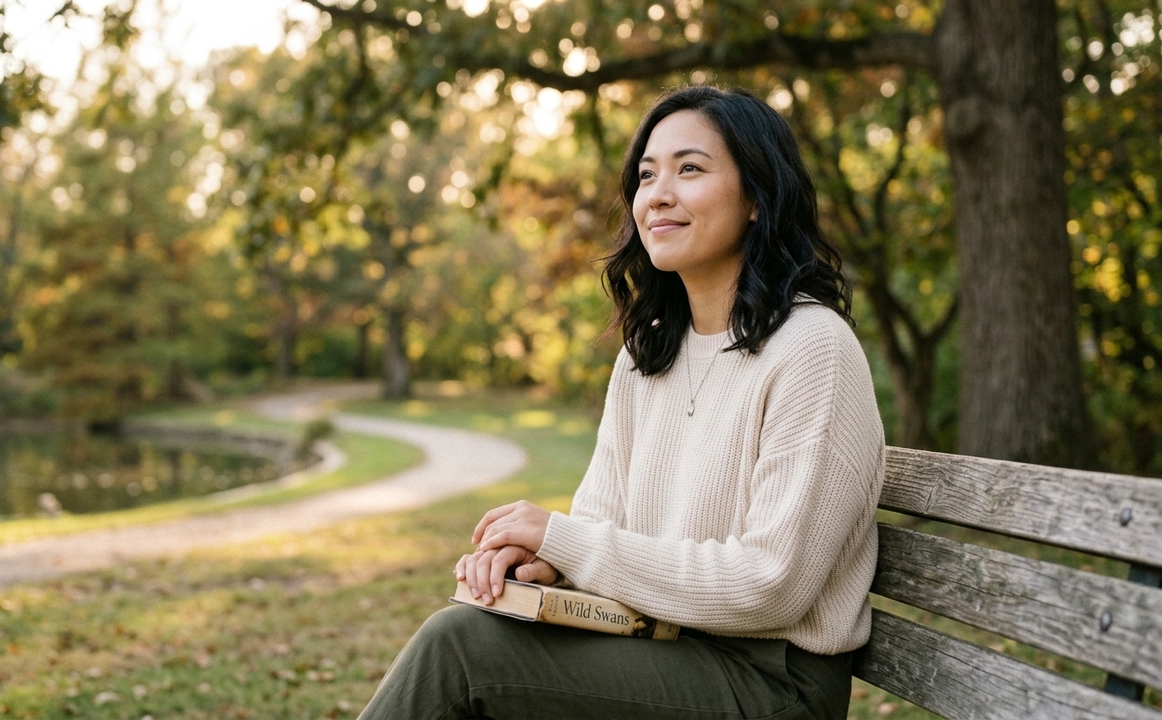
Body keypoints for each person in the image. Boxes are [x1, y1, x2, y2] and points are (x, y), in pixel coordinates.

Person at [358, 85, 885, 720]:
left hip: (773, 683)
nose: (657, 194)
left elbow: (771, 585)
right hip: (661, 647)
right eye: (647, 175)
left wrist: (566, 540)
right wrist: (549, 563)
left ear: (756, 197)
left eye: (690, 169)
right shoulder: (648, 355)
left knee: (461, 651)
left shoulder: (811, 348)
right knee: (474, 632)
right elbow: (599, 522)